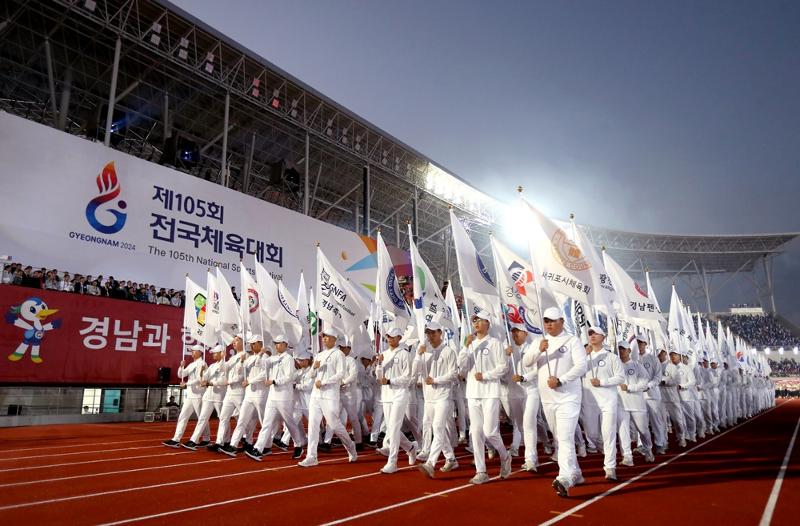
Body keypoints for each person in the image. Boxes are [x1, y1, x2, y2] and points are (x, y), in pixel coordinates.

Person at [524, 306, 587, 497]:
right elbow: (527, 361)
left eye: (552, 320)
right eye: (546, 321)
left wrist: (561, 380)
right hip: (548, 400)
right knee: (560, 437)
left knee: (565, 437)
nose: (549, 324)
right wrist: (539, 351)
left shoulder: (572, 340)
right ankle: (576, 473)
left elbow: (582, 366)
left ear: (561, 321)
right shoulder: (539, 342)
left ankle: (564, 478)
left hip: (568, 397)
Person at [458, 309, 512, 485]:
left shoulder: (495, 343)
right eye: (474, 321)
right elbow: (461, 367)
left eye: (480, 320)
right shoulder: (470, 345)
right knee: (476, 433)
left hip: (490, 392)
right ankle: (481, 471)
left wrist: (486, 375)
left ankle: (505, 456)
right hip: (473, 393)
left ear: (488, 324)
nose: (476, 323)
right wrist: (465, 346)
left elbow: (504, 367)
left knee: (490, 432)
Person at [298, 327, 358, 467]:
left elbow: (341, 374)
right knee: (313, 425)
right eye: (323, 336)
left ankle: (350, 446)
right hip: (316, 395)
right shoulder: (319, 355)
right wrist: (314, 368)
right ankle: (311, 456)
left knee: (335, 424)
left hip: (330, 395)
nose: (324, 339)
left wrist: (324, 382)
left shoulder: (339, 354)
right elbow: (310, 375)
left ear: (334, 339)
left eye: (326, 336)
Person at [248, 335, 307, 460]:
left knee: (289, 422)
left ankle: (299, 444)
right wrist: (261, 354)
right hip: (272, 396)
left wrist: (274, 381)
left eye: (279, 343)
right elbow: (258, 364)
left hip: (284, 396)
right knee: (266, 423)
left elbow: (289, 376)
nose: (277, 346)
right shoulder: (272, 358)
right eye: (275, 343)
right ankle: (258, 449)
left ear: (285, 344)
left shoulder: (288, 358)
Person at [416, 321, 459, 478]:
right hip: (429, 398)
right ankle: (451, 458)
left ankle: (430, 463)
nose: (431, 336)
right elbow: (414, 371)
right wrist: (419, 354)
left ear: (440, 333)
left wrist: (436, 380)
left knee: (438, 427)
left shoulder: (448, 351)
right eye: (429, 333)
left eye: (434, 333)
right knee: (437, 429)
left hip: (443, 397)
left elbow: (454, 374)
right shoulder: (425, 352)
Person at [580, 327, 624, 480]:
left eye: (595, 333)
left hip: (608, 402)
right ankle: (601, 446)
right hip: (590, 402)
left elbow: (620, 378)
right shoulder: (584, 358)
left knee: (609, 434)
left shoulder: (612, 357)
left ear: (603, 337)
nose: (592, 336)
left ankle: (610, 467)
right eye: (590, 333)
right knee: (591, 434)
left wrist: (603, 382)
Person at [375, 326, 418, 474]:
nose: (389, 339)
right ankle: (411, 448)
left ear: (399, 338)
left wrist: (390, 381)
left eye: (392, 336)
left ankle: (392, 461)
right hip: (386, 396)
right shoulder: (384, 354)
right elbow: (379, 376)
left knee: (393, 427)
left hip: (399, 394)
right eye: (388, 336)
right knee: (392, 428)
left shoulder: (405, 354)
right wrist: (379, 363)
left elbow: (407, 378)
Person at [221, 333, 270, 456]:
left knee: (264, 421)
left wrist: (251, 381)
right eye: (251, 344)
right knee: (242, 420)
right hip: (249, 394)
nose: (252, 346)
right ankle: (233, 445)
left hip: (260, 394)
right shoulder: (249, 357)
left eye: (254, 344)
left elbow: (266, 374)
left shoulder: (265, 358)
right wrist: (241, 362)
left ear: (260, 343)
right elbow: (240, 371)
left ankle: (267, 445)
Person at [616, 341, 655, 466]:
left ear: (629, 351)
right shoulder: (615, 367)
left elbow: (644, 384)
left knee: (643, 430)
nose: (622, 351)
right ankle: (627, 456)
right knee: (623, 431)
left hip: (636, 403)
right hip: (621, 404)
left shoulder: (637, 366)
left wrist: (629, 387)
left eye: (624, 349)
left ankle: (648, 449)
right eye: (620, 349)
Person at [183, 344, 227, 450]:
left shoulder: (226, 366)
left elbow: (224, 381)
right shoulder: (211, 366)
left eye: (216, 353)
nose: (213, 354)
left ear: (222, 353)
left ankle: (224, 440)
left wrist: (211, 383)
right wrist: (202, 373)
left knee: (222, 418)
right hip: (208, 395)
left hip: (219, 396)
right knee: (202, 418)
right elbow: (204, 378)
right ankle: (194, 440)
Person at [162, 344, 207, 447]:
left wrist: (186, 384)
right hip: (190, 395)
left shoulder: (202, 363)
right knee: (183, 416)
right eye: (192, 351)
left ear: (200, 352)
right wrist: (181, 366)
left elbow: (200, 379)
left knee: (202, 418)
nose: (192, 352)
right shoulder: (192, 364)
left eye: (194, 351)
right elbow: (181, 375)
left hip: (199, 394)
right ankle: (176, 439)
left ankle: (206, 438)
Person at [209, 336, 246, 452]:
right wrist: (222, 359)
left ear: (243, 342)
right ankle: (220, 442)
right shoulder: (233, 357)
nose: (234, 343)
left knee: (243, 417)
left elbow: (242, 375)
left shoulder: (246, 355)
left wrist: (230, 381)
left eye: (237, 341)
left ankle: (246, 440)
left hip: (240, 391)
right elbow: (224, 369)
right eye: (233, 341)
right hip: (230, 392)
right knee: (224, 417)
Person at [637, 336, 668, 455]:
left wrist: (648, 385)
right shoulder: (634, 359)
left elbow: (658, 377)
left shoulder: (653, 359)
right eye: (637, 343)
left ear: (645, 344)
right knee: (641, 422)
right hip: (638, 396)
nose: (639, 345)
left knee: (656, 421)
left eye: (641, 343)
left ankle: (660, 443)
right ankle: (642, 445)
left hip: (652, 395)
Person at [661, 349, 688, 448]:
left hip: (672, 398)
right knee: (662, 422)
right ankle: (664, 442)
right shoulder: (656, 366)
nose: (660, 355)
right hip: (660, 399)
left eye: (661, 353)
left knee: (677, 420)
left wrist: (665, 381)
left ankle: (681, 437)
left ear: (665, 354)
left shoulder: (672, 367)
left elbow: (677, 380)